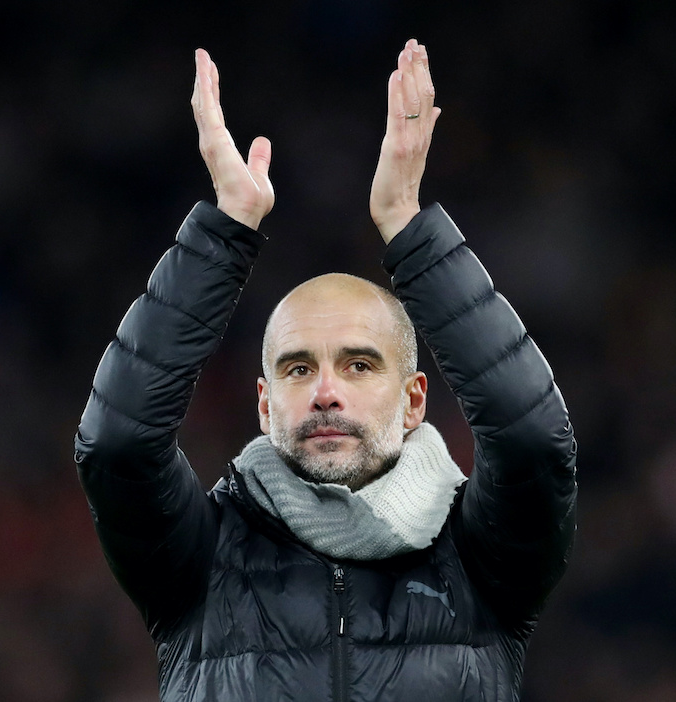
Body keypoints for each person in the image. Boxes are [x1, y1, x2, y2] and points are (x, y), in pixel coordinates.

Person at [74, 39, 577, 701]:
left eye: (360, 365)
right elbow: (117, 444)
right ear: (264, 404)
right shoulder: (200, 558)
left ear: (414, 400)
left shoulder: (480, 553)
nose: (326, 392)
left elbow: (534, 442)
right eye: (297, 368)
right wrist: (225, 231)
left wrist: (408, 227)